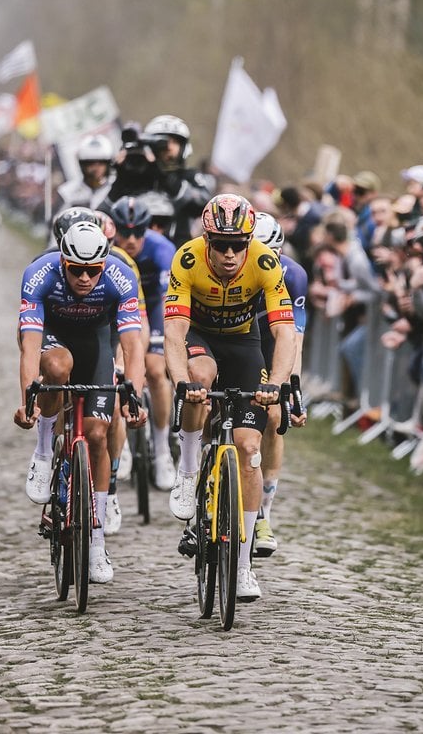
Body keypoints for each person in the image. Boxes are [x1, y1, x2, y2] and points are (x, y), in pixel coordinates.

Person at [164, 194, 295, 601]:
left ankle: (241, 565)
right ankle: (187, 473)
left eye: (237, 244)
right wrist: (181, 380)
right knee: (200, 378)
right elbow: (174, 331)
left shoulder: (265, 262)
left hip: (243, 344)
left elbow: (285, 332)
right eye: (219, 244)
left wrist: (276, 382)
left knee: (248, 445)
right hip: (201, 338)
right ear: (207, 240)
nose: (228, 253)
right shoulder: (187, 259)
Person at [14, 222, 146, 584]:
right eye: (77, 270)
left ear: (103, 265)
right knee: (58, 367)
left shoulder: (119, 275)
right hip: (52, 335)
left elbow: (133, 344)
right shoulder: (39, 274)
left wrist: (133, 391)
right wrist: (29, 398)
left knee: (98, 435)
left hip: (96, 342)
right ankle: (43, 452)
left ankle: (97, 538)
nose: (85, 278)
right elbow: (29, 345)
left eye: (93, 271)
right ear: (63, 262)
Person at [106, 196, 179, 491]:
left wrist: (158, 341)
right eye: (125, 232)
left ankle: (162, 450)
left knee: (157, 369)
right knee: (113, 370)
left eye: (139, 232)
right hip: (121, 307)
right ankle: (120, 442)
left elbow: (164, 302)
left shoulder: (162, 249)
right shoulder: (109, 251)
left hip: (155, 307)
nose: (132, 239)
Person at [249, 213, 309, 557]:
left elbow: (293, 339)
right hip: (232, 337)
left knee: (273, 417)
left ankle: (263, 515)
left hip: (269, 341)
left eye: (271, 256)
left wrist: (292, 390)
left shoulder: (294, 275)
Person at [57, 134, 114, 210]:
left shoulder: (116, 187)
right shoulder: (67, 192)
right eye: (90, 163)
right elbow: (57, 218)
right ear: (82, 164)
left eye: (101, 163)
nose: (96, 168)